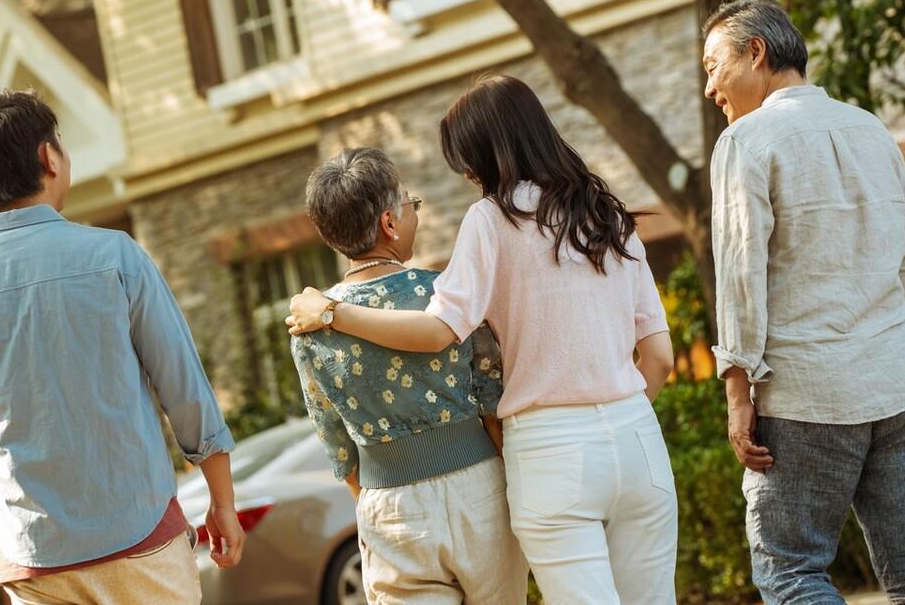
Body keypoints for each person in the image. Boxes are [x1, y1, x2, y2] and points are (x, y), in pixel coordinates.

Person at [287, 76, 678, 605]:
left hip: (551, 449)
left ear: (490, 151)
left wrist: (332, 312)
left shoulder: (492, 220)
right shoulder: (608, 213)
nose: (468, 174)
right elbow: (658, 357)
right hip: (638, 436)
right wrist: (613, 415)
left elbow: (440, 330)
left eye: (466, 159)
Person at [0, 89, 243, 603]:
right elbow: (184, 386)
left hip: (34, 558)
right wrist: (222, 500)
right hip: (143, 537)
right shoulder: (116, 257)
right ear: (48, 158)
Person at [702, 0, 905, 604]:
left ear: (755, 52)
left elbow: (740, 276)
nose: (710, 88)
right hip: (898, 386)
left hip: (806, 395)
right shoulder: (872, 128)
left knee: (789, 571)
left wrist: (738, 392)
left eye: (712, 65)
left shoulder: (746, 141)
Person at [292, 147, 527, 604]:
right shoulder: (445, 294)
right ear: (389, 223)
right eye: (409, 203)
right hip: (479, 491)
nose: (414, 213)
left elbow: (336, 443)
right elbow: (492, 400)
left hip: (389, 507)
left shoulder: (309, 325)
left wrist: (377, 503)